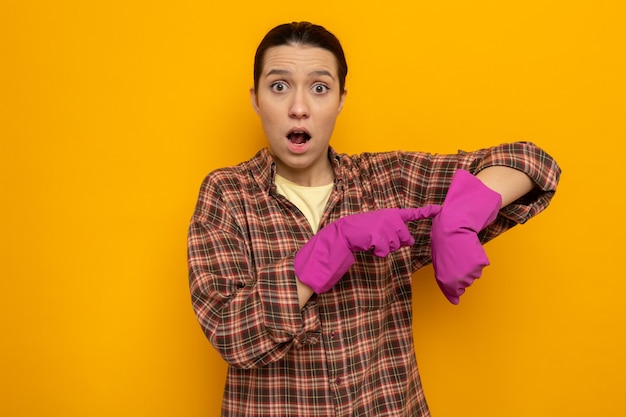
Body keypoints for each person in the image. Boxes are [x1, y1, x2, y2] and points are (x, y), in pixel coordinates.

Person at [187, 21, 561, 417]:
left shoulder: (387, 182)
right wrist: (329, 248)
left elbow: (532, 162)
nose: (299, 107)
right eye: (279, 86)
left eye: (319, 88)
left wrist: (461, 218)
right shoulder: (227, 194)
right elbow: (229, 334)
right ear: (256, 99)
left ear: (341, 99)